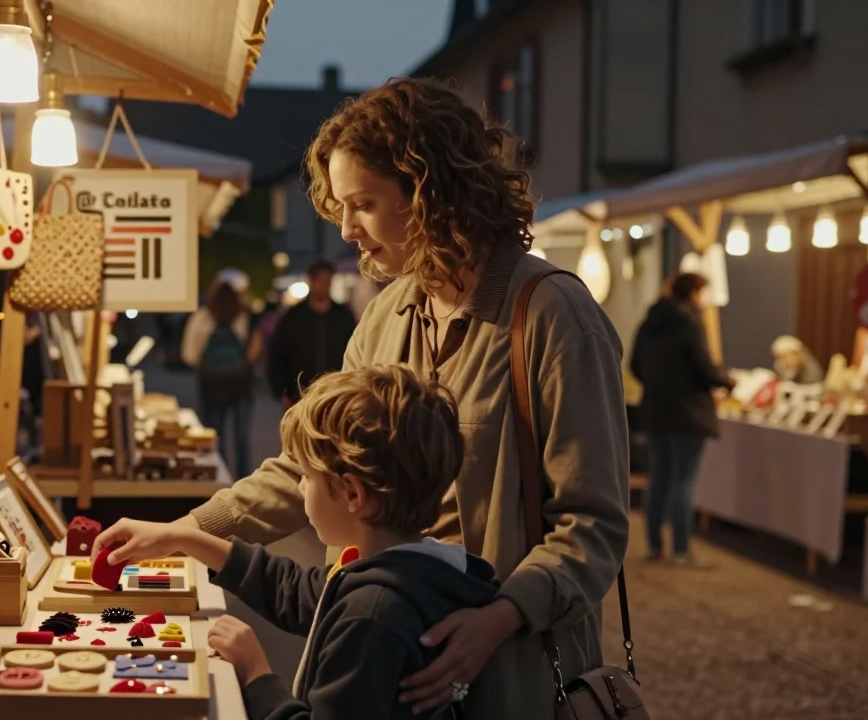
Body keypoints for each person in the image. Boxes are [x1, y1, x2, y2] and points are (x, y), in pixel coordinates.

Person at [96, 77, 630, 718]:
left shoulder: (552, 314)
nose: (347, 229)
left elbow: (593, 525)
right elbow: (312, 464)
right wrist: (190, 529)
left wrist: (500, 616)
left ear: (432, 191)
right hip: (385, 653)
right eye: (341, 206)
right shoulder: (387, 315)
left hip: (510, 675)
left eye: (364, 204)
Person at [98, 366, 499, 719]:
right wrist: (186, 537)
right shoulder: (412, 572)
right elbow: (300, 593)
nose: (300, 487)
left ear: (353, 494)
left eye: (306, 476)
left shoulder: (372, 613)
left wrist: (256, 672)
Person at [631, 272, 735, 565]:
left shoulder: (649, 323)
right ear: (691, 293)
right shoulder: (688, 323)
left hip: (655, 411)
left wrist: (658, 385)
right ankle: (680, 550)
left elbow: (635, 365)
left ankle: (654, 546)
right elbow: (704, 367)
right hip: (689, 412)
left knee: (658, 479)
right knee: (683, 480)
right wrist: (727, 381)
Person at [181, 281, 262, 478]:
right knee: (242, 438)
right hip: (241, 385)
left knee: (215, 437)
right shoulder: (244, 317)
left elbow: (189, 355)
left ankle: (220, 479)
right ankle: (243, 481)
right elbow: (254, 351)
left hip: (212, 386)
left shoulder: (202, 317)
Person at [267, 260, 357, 408]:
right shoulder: (293, 317)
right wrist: (281, 393)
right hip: (300, 396)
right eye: (320, 281)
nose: (324, 285)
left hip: (336, 395)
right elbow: (277, 355)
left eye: (327, 281)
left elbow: (354, 351)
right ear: (311, 281)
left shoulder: (343, 316)